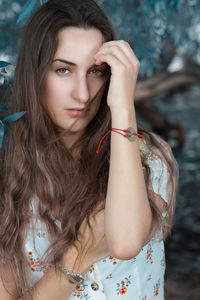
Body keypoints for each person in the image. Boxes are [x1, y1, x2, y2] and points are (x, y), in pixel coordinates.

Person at [0, 0, 179, 299]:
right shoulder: (7, 169)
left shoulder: (149, 157)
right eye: (63, 70)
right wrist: (81, 253)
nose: (83, 94)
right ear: (36, 73)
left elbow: (124, 242)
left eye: (96, 71)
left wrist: (122, 104)